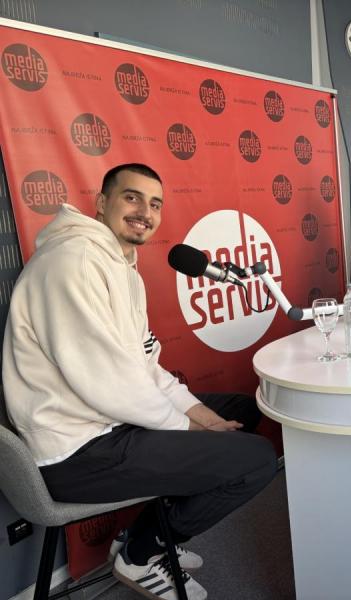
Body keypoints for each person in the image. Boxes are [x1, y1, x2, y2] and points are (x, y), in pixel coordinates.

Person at [2, 164, 277, 600]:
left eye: (155, 204)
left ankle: (141, 535)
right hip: (76, 452)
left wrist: (201, 416)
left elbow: (144, 367)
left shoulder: (121, 266)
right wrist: (189, 428)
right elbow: (111, 385)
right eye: (132, 197)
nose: (144, 212)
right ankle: (142, 553)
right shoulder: (73, 264)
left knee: (240, 410)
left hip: (108, 422)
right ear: (102, 202)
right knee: (257, 459)